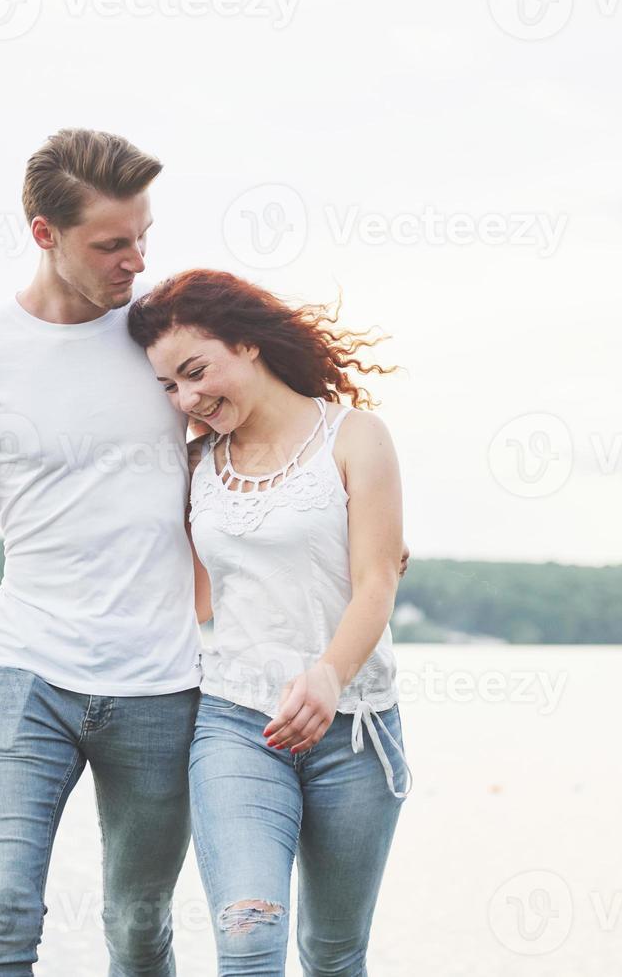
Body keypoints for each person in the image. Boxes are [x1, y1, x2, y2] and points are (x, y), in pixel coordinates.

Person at [0, 129, 410, 976]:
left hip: (163, 686)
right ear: (43, 233)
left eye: (144, 236)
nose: (135, 260)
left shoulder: (160, 344)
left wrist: (369, 550)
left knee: (140, 927)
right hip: (26, 671)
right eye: (111, 244)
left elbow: (265, 480)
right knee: (2, 913)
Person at [129, 269, 413, 977]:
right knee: (250, 939)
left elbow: (378, 579)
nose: (188, 398)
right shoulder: (194, 463)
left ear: (249, 343)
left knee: (333, 953)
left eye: (195, 372)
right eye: (169, 387)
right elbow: (197, 601)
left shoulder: (357, 438)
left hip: (355, 729)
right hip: (235, 726)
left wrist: (327, 675)